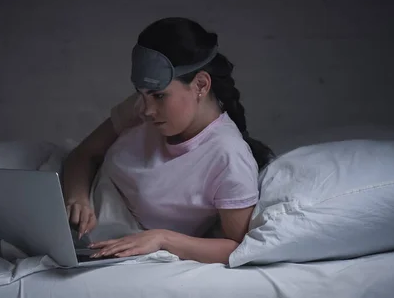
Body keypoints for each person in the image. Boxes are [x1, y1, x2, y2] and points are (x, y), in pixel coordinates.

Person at [61, 17, 274, 264]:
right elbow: (84, 154)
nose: (147, 110)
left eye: (159, 96)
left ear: (201, 85)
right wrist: (76, 197)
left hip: (103, 244)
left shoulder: (227, 155)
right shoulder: (141, 107)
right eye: (142, 94)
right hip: (63, 200)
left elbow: (237, 247)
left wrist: (163, 239)